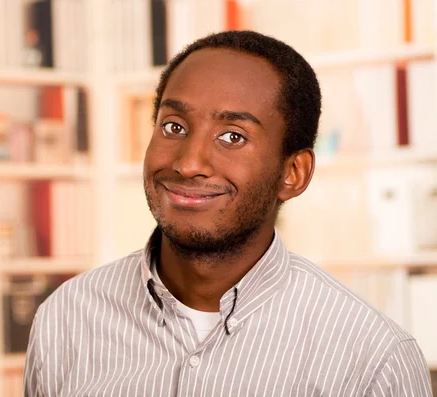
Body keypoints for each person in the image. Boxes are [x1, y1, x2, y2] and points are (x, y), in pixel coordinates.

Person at [23, 30, 432, 396]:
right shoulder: (67, 317)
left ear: (293, 173)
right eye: (173, 127)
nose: (188, 163)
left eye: (232, 136)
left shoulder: (374, 362)